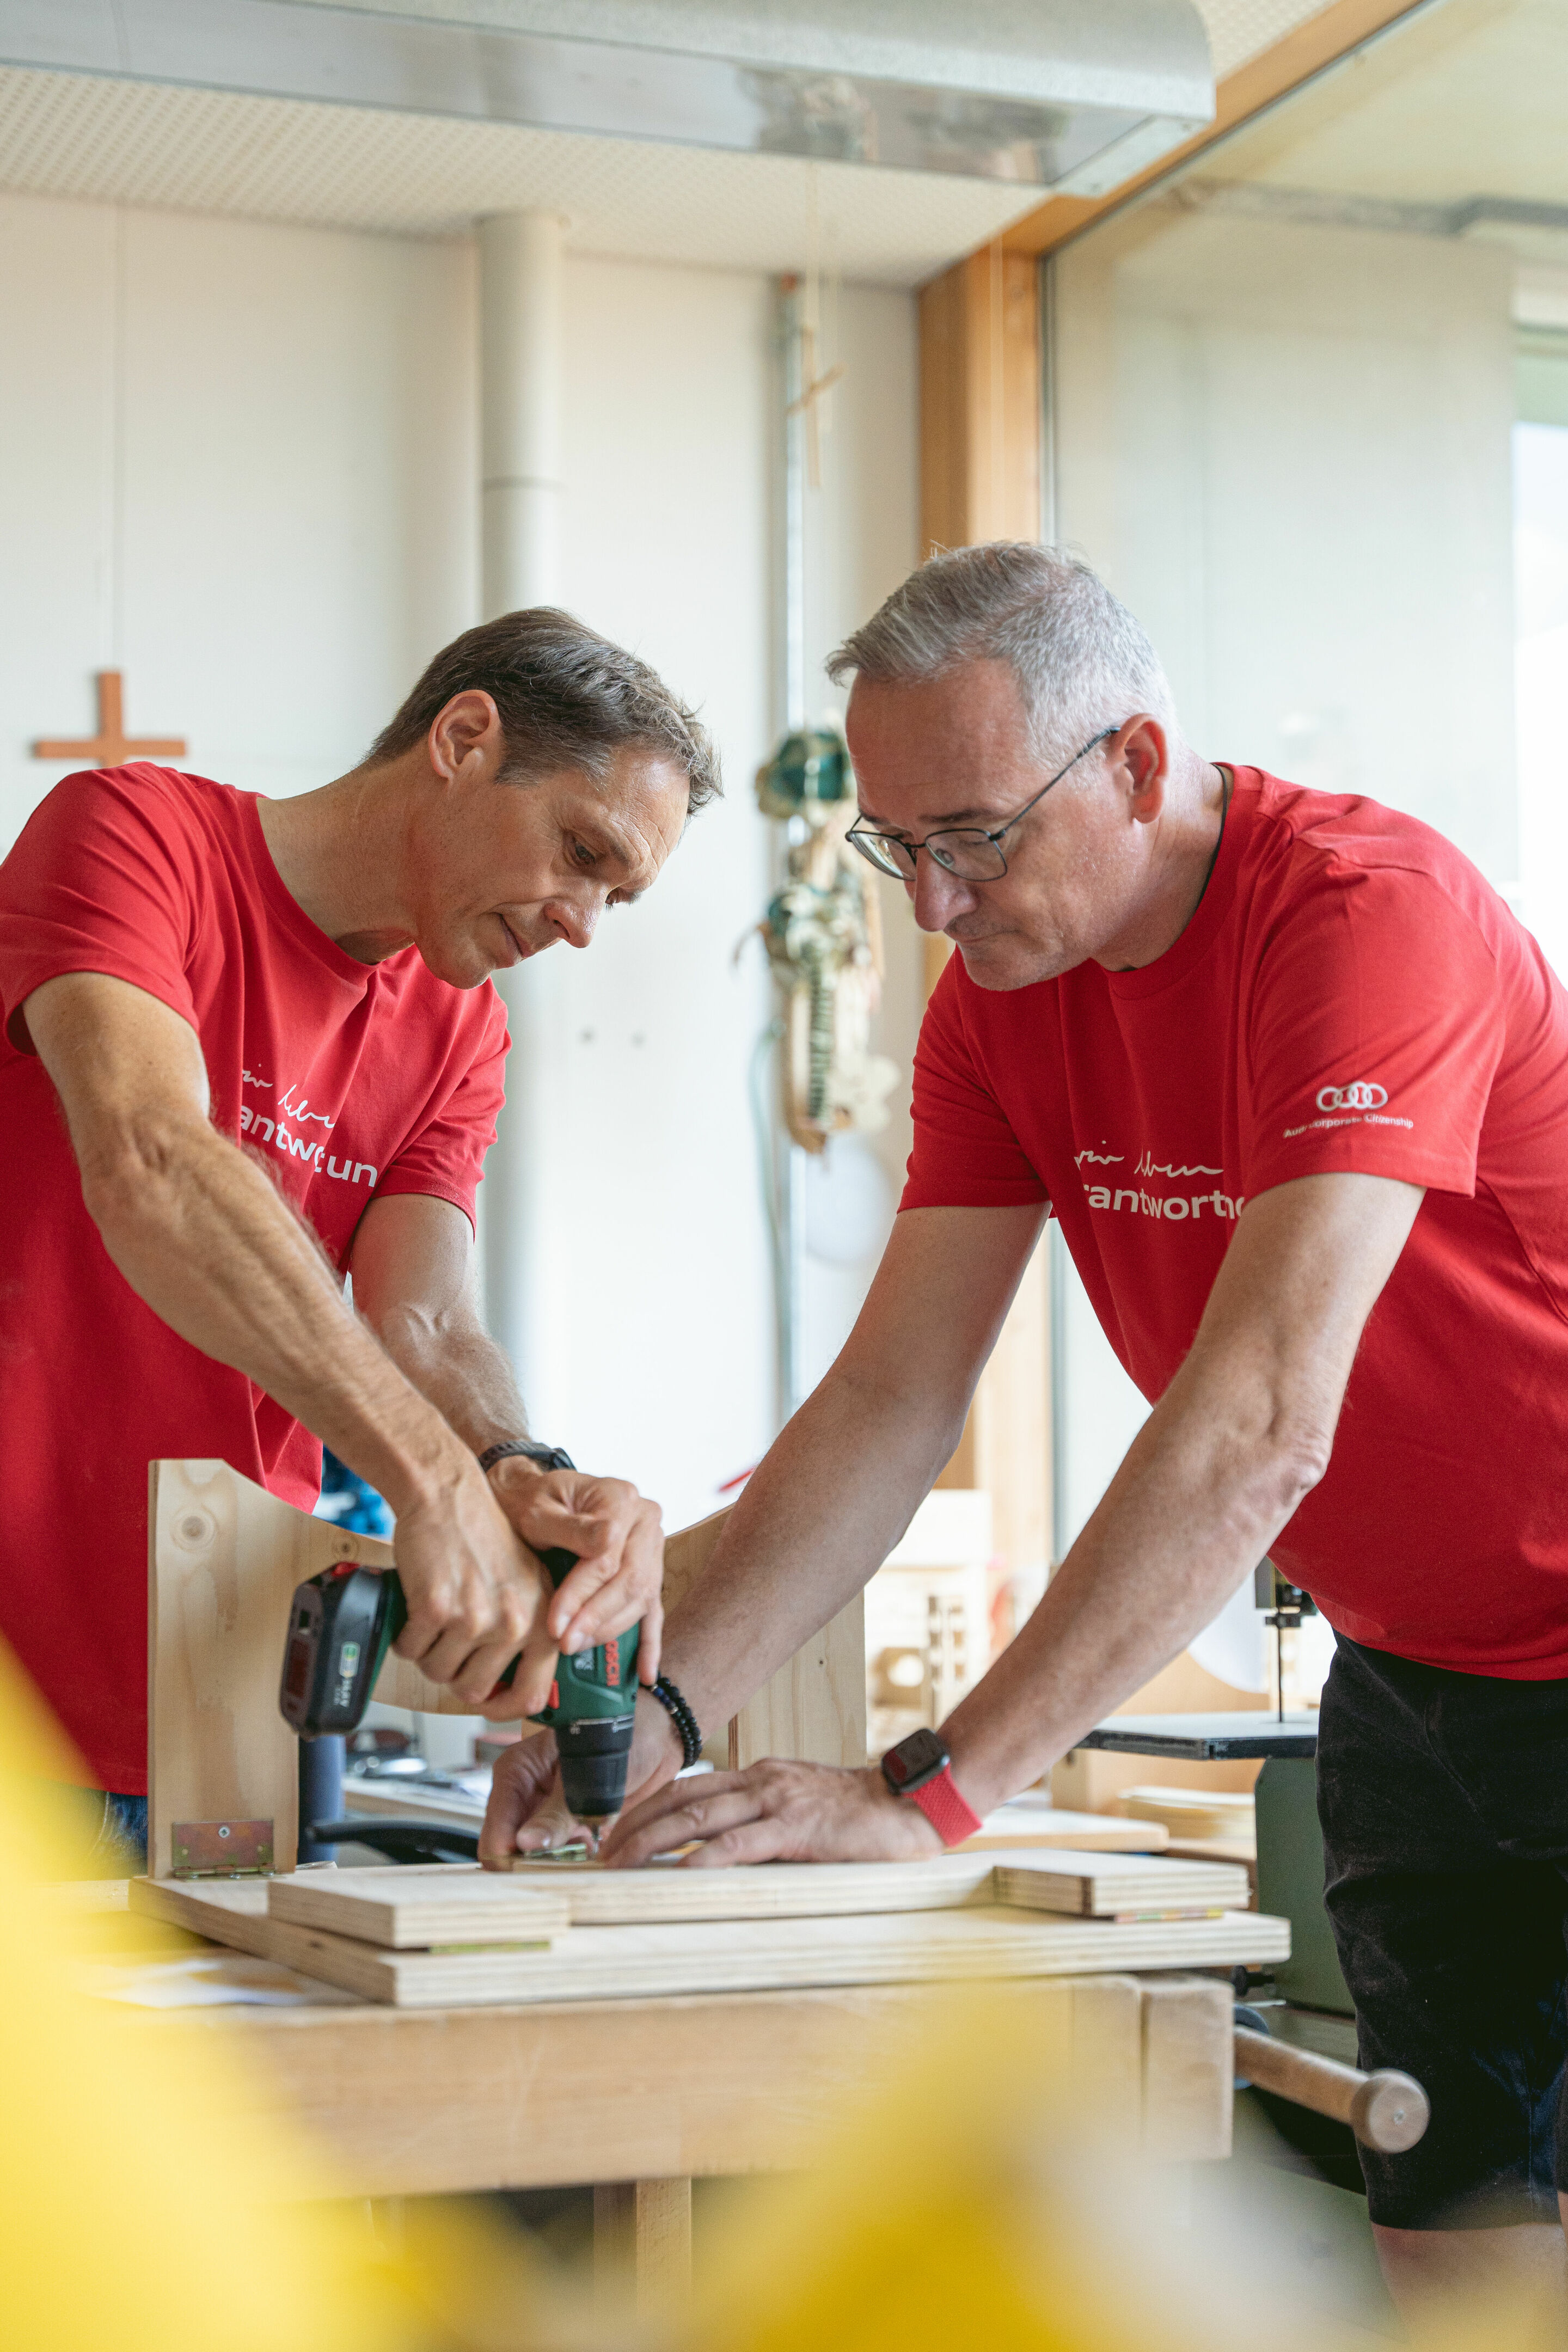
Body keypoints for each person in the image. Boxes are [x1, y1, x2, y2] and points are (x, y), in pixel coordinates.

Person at [485, 544, 1568, 2314]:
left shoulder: (1367, 920)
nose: (933, 901)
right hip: (1409, 1681)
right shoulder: (998, 1005)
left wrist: (932, 1792)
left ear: (1134, 765)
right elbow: (892, 1399)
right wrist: (665, 1714)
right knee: (1453, 2265)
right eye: (896, 845)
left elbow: (1260, 1422)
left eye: (975, 837)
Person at [0, 607, 718, 1865]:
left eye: (618, 894)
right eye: (582, 851)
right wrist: (430, 1483)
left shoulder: (462, 1031)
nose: (584, 924)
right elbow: (152, 1160)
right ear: (464, 738)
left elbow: (424, 1320)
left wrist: (515, 1471)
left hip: (219, 1697)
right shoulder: (134, 836)